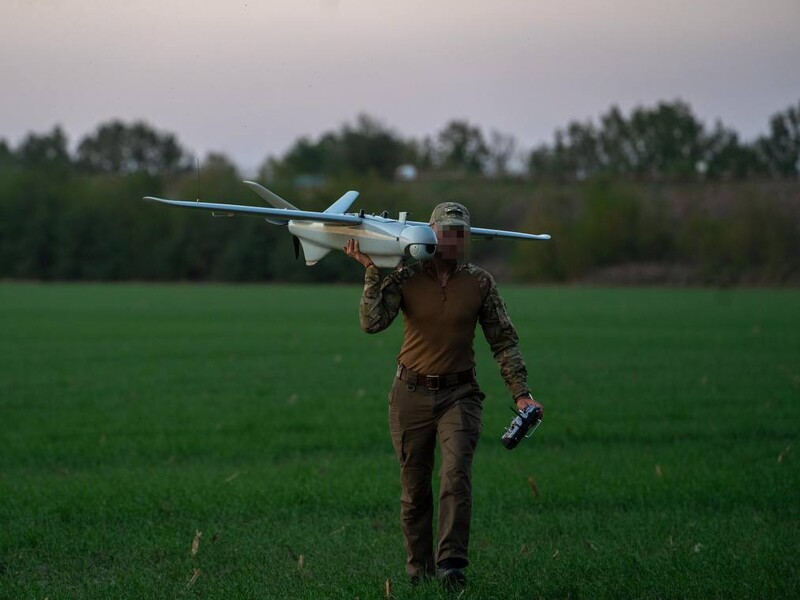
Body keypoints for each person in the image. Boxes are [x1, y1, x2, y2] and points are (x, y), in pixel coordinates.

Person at [343, 202, 543, 590]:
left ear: (466, 237)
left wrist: (522, 395)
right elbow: (372, 323)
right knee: (414, 489)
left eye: (460, 232)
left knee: (455, 475)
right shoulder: (406, 276)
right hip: (410, 395)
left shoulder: (480, 282)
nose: (453, 238)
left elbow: (504, 342)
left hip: (460, 395)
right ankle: (419, 571)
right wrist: (371, 272)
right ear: (432, 233)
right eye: (446, 230)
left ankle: (451, 565)